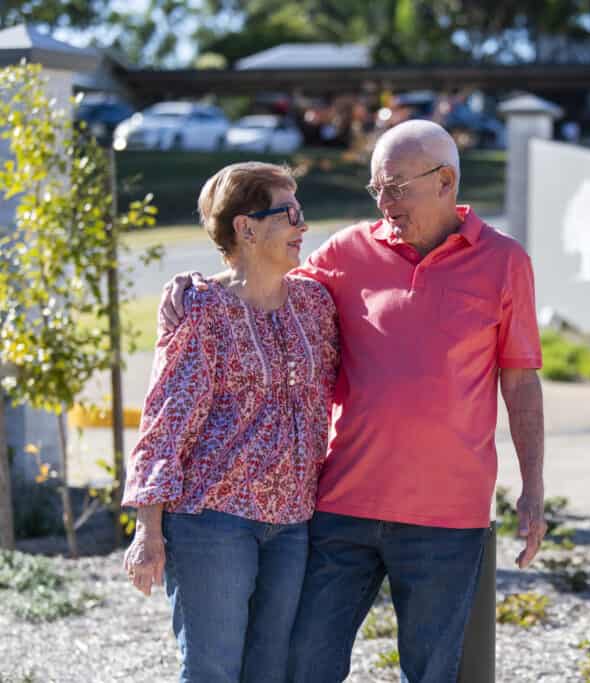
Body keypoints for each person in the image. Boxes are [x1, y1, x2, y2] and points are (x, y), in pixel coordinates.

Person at [161, 120, 546, 683]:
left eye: (395, 187)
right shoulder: (348, 251)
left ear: (445, 182)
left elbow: (521, 382)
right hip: (342, 507)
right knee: (303, 666)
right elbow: (268, 285)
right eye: (376, 189)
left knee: (434, 672)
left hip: (447, 517)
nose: (383, 202)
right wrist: (199, 287)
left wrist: (532, 488)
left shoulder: (505, 262)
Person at [122, 162, 340, 683]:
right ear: (245, 228)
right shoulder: (202, 310)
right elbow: (165, 421)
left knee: (270, 671)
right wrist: (147, 528)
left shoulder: (315, 304)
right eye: (288, 214)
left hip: (291, 521)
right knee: (213, 672)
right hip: (212, 521)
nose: (302, 226)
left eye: (301, 212)